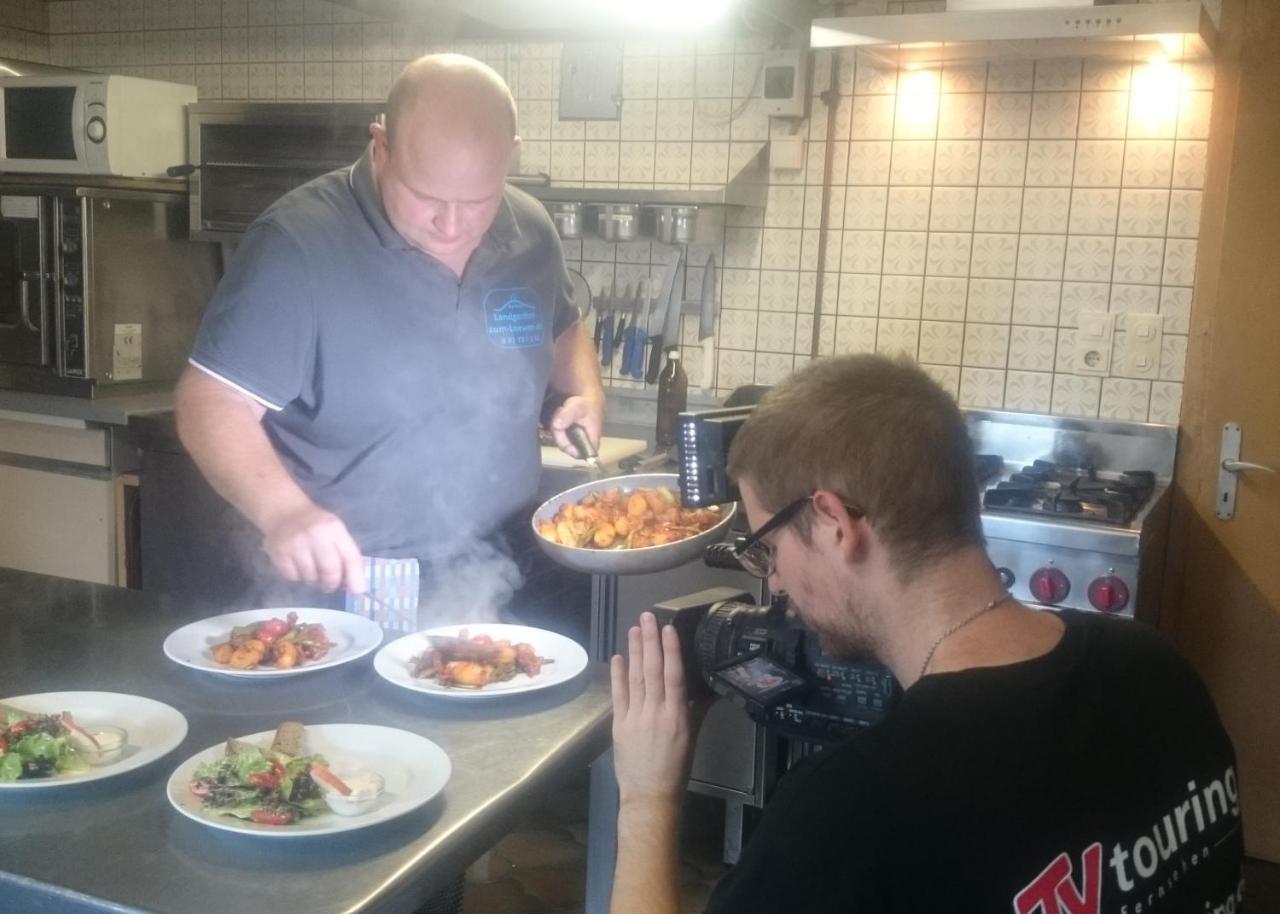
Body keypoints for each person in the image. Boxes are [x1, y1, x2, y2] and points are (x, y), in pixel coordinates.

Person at [610, 354, 1244, 914]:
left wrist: (645, 799)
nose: (774, 583)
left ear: (833, 521)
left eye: (767, 547)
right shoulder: (1160, 671)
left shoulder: (848, 813)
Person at [175, 54, 603, 601]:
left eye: (476, 202)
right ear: (381, 146)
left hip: (508, 555)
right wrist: (285, 512)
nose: (451, 225)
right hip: (355, 574)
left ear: (510, 157)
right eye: (426, 197)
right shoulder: (297, 245)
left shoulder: (531, 231)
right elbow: (210, 401)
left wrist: (585, 393)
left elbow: (565, 327)